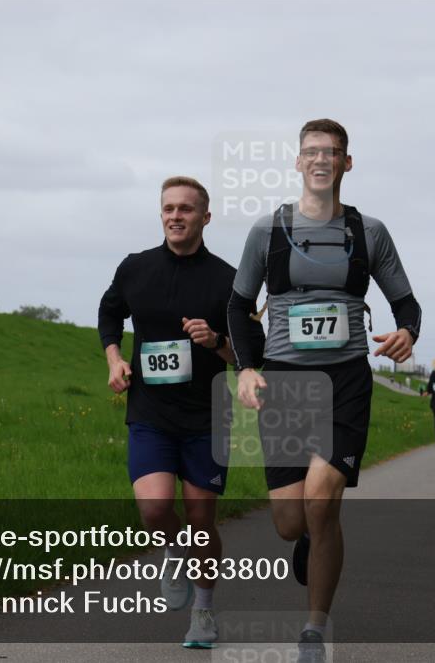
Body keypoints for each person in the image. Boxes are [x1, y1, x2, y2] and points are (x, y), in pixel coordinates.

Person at [227, 119, 421, 662]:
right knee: (292, 523)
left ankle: (314, 628)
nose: (320, 160)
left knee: (322, 496)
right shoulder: (266, 232)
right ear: (297, 162)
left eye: (331, 152)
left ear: (346, 163)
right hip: (285, 383)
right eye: (311, 152)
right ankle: (312, 538)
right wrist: (246, 367)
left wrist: (407, 332)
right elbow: (238, 307)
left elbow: (407, 303)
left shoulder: (369, 232)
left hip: (346, 381)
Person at [98, 176, 262, 648]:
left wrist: (218, 343)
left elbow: (256, 351)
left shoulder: (230, 281)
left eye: (186, 209)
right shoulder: (135, 268)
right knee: (153, 509)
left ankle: (203, 614)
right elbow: (110, 315)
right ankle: (173, 550)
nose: (176, 216)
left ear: (205, 217)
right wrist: (115, 359)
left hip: (207, 417)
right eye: (168, 208)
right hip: (150, 410)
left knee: (201, 518)